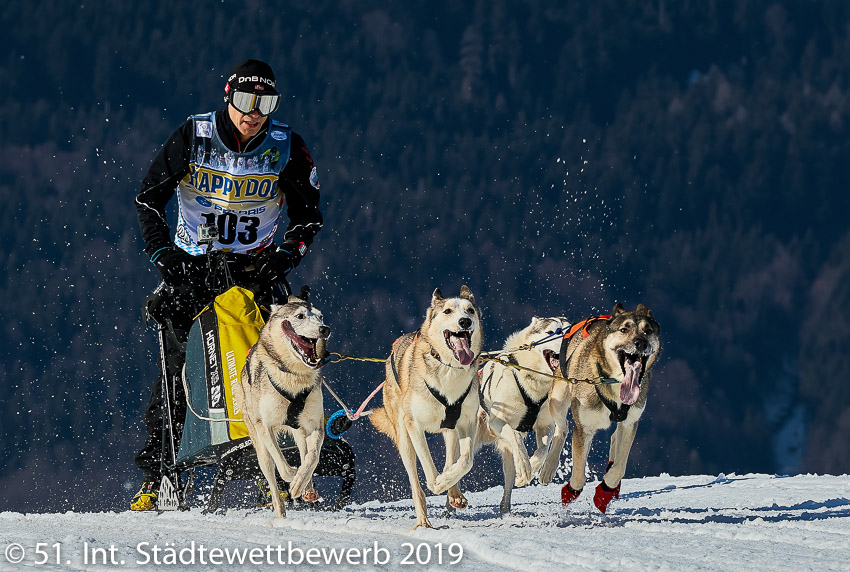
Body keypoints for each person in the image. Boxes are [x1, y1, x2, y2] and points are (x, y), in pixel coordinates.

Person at [131, 59, 323, 511]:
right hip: (194, 270)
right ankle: (158, 474)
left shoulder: (286, 145)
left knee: (277, 371)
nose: (252, 113)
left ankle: (276, 468)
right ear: (227, 94)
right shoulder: (194, 135)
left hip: (255, 272)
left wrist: (283, 257)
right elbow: (148, 199)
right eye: (244, 101)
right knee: (176, 372)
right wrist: (166, 259)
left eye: (265, 103)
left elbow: (309, 216)